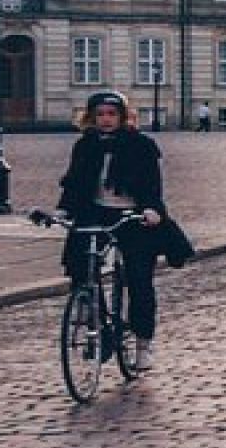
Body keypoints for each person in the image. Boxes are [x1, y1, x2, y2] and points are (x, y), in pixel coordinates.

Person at [53, 91, 168, 373]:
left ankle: (142, 342)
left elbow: (152, 184)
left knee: (139, 279)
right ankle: (91, 309)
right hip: (96, 212)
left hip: (134, 214)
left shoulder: (141, 145)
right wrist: (63, 210)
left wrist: (152, 209)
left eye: (111, 114)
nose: (105, 120)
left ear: (122, 116)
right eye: (100, 115)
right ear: (91, 118)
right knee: (80, 262)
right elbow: (75, 183)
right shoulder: (85, 145)